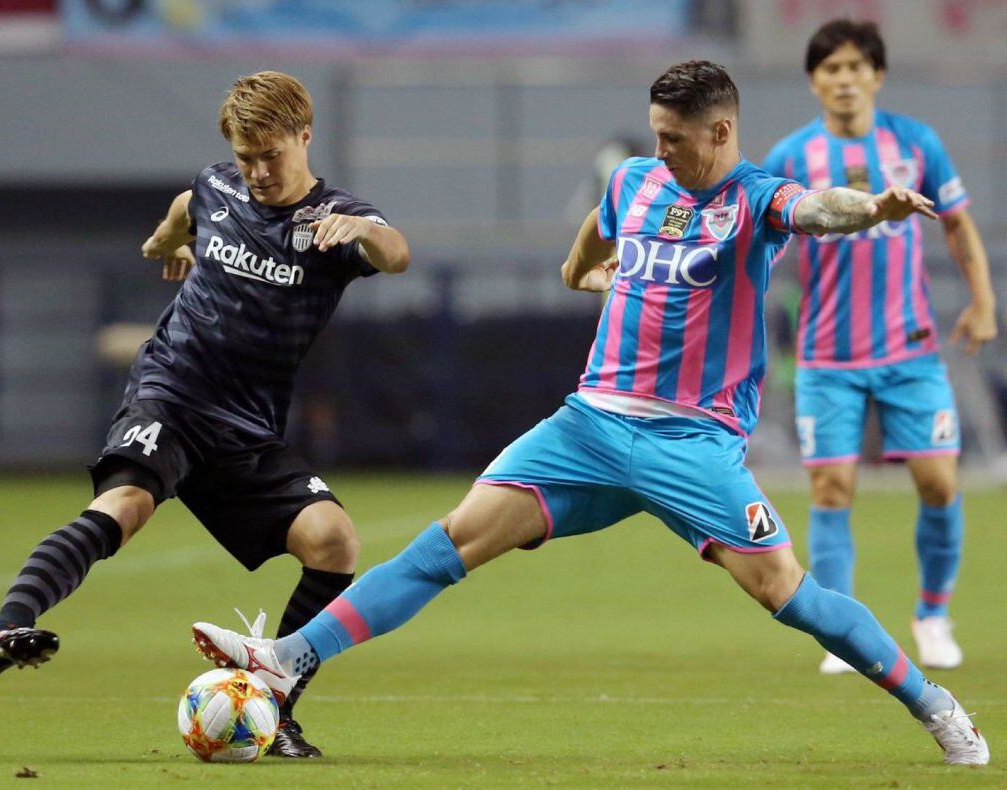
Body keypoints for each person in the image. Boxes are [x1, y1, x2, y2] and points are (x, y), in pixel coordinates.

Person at [191, 61, 988, 765]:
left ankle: (938, 707)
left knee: (789, 595)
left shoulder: (756, 199)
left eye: (675, 138)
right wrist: (585, 274)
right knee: (449, 542)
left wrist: (875, 210)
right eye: (656, 134)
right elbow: (591, 247)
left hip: (691, 442)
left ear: (720, 130)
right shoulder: (636, 180)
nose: (661, 150)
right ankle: (289, 657)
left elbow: (821, 210)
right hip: (589, 427)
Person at [0, 70, 411, 759]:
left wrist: (366, 230)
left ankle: (274, 703)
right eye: (245, 157)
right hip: (171, 391)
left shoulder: (335, 220)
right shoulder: (215, 187)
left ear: (305, 137)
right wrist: (166, 243)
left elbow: (397, 253)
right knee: (127, 505)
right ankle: (6, 627)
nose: (258, 172)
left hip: (246, 426)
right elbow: (182, 209)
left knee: (334, 543)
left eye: (272, 156)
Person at [761, 20, 997, 675]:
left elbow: (956, 223)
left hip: (910, 351)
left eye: (854, 67)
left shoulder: (916, 143)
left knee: (938, 481)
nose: (843, 80)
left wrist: (983, 301)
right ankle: (843, 627)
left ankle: (932, 615)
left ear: (877, 75)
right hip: (827, 356)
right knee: (833, 486)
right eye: (830, 68)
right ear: (814, 80)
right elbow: (758, 236)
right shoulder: (789, 157)